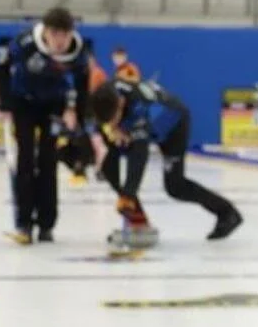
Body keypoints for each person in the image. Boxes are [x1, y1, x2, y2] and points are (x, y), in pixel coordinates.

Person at [89, 78, 243, 241]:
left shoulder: (139, 109)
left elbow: (139, 157)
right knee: (108, 167)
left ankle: (227, 212)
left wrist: (128, 194)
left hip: (174, 126)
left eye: (115, 119)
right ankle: (138, 222)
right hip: (145, 123)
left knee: (175, 187)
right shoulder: (104, 95)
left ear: (120, 103)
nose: (113, 125)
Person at [0, 6, 89, 244]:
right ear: (45, 32)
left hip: (53, 106)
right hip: (23, 102)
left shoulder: (78, 53)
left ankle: (47, 223)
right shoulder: (25, 43)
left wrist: (78, 114)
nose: (60, 41)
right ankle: (24, 222)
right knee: (24, 159)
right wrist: (5, 103)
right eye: (55, 34)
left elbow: (82, 85)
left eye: (65, 35)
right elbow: (1, 67)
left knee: (49, 161)